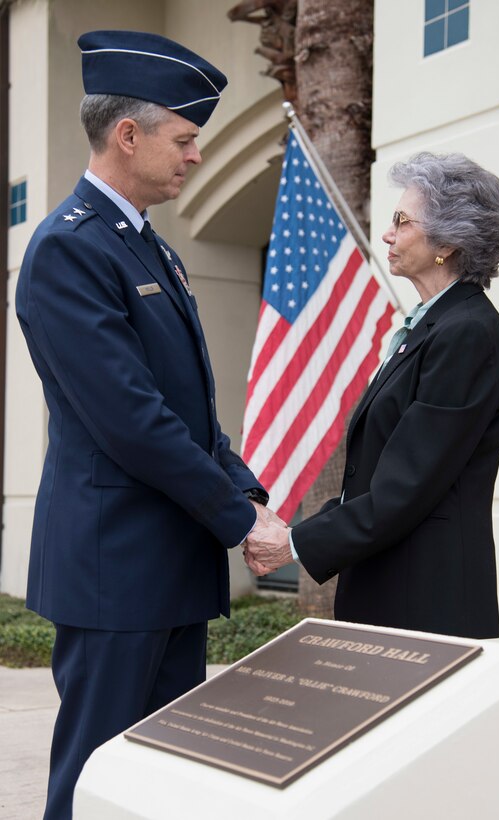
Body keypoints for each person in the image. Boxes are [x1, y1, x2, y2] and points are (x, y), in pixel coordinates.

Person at [16, 30, 280, 820]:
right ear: (127, 136)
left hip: (164, 564)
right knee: (96, 779)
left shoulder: (146, 249)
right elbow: (131, 421)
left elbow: (187, 411)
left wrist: (247, 491)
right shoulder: (69, 250)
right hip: (116, 568)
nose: (196, 156)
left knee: (159, 782)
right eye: (186, 138)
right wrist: (239, 519)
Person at [245, 151, 499, 641]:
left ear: (449, 242)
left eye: (401, 221)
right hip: (392, 586)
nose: (388, 234)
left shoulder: (466, 334)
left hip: (426, 603)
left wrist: (295, 544)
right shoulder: (435, 327)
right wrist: (300, 533)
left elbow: (405, 488)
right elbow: (378, 480)